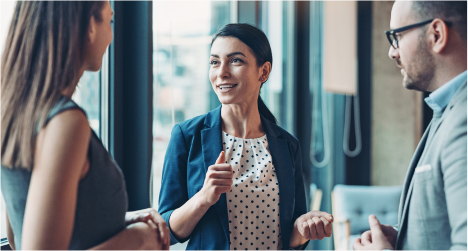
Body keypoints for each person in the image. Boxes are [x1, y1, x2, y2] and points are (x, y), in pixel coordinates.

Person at [0, 0, 169, 250]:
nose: (111, 36)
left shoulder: (17, 111)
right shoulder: (66, 123)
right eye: (109, 20)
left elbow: (21, 235)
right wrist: (140, 237)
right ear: (90, 25)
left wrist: (120, 222)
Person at [158, 23, 333, 251]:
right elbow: (165, 230)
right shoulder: (186, 136)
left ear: (264, 71)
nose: (221, 72)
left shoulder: (288, 145)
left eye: (235, 60)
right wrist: (203, 197)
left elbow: (291, 237)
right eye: (214, 62)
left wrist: (304, 229)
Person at [354, 0, 468, 250]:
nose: (392, 52)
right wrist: (403, 239)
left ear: (436, 34)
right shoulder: (449, 108)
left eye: (397, 36)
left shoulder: (464, 119)